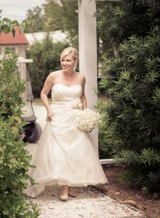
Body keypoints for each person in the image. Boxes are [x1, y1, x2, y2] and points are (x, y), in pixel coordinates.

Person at [23, 47, 107, 201]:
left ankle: (67, 185)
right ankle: (64, 188)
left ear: (75, 61)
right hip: (57, 116)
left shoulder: (81, 77)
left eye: (68, 60)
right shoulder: (53, 76)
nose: (64, 63)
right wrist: (48, 109)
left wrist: (85, 112)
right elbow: (42, 93)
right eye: (62, 60)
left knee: (74, 151)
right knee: (60, 151)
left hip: (74, 117)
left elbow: (82, 97)